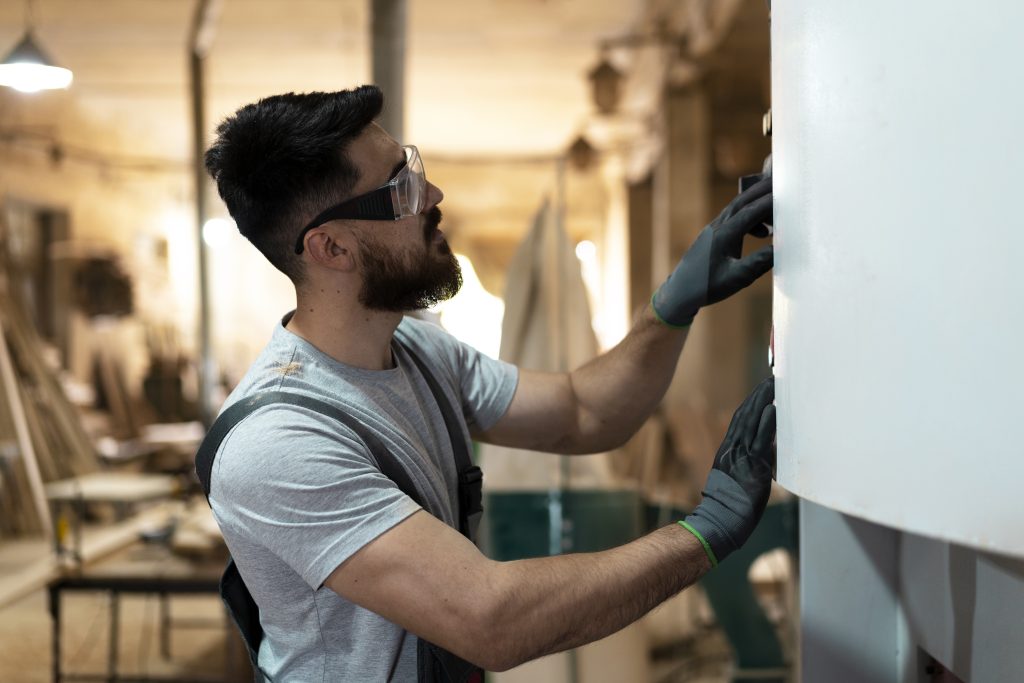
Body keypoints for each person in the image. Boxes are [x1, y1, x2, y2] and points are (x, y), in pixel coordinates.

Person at [202, 85, 776, 681]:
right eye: (400, 190)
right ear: (331, 247)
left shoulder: (419, 351)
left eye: (414, 170)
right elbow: (489, 618)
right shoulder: (278, 441)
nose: (432, 196)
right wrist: (703, 534)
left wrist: (668, 311)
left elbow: (583, 411)